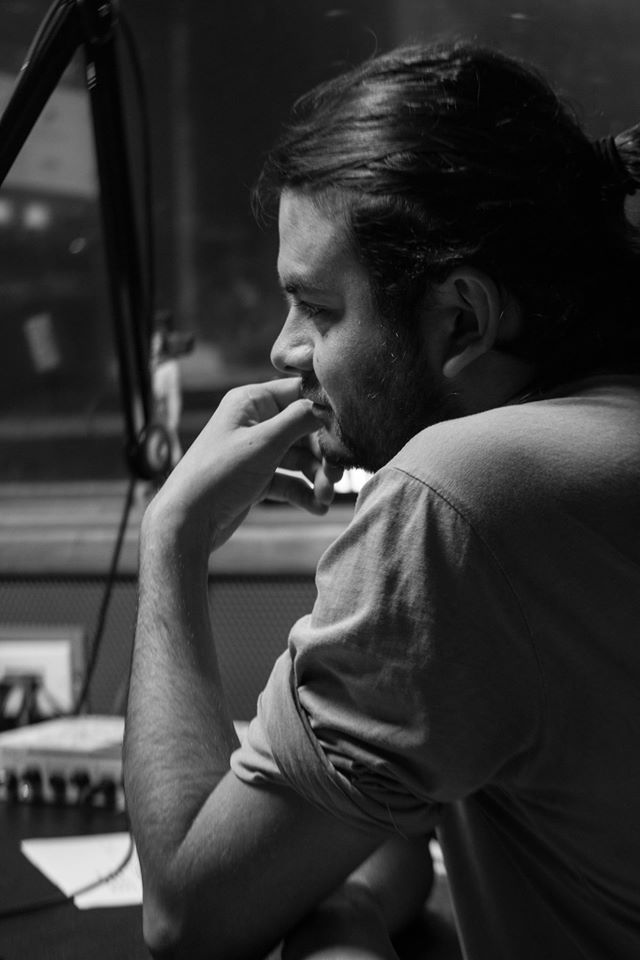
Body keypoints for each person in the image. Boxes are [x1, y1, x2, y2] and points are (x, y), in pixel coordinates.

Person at [123, 40, 640, 960]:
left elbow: (189, 911)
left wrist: (175, 537)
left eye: (320, 309)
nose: (284, 350)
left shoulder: (461, 496)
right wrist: (352, 908)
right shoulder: (593, 445)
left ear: (462, 320)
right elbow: (392, 815)